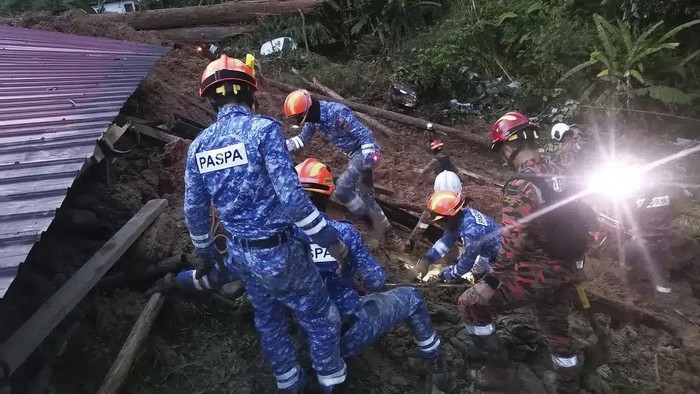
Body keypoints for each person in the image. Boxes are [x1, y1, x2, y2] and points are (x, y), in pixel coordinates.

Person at [185, 55, 348, 393]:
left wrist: (204, 251)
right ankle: (332, 383)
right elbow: (292, 198)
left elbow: (194, 207)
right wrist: (329, 238)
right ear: (251, 94)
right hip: (280, 253)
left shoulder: (199, 146)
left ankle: (289, 385)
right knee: (318, 316)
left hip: (242, 255)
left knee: (269, 320)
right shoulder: (264, 130)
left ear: (212, 99)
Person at [457, 111, 590, 392]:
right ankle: (569, 384)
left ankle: (497, 371)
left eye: (501, 152)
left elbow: (512, 241)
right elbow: (588, 222)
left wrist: (491, 282)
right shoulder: (560, 173)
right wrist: (577, 264)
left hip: (537, 272)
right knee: (557, 329)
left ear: (507, 148)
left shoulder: (520, 185)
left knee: (470, 303)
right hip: (567, 268)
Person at [294, 158, 449, 391]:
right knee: (413, 298)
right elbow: (376, 282)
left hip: (299, 334)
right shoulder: (343, 232)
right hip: (345, 333)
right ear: (328, 196)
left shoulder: (279, 237)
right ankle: (438, 370)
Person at [282, 89, 404, 251]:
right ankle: (384, 231)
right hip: (354, 155)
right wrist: (281, 146)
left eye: (298, 117)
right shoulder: (314, 120)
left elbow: (365, 134)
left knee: (343, 188)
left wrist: (366, 165)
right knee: (364, 196)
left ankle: (372, 225)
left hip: (367, 152)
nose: (298, 120)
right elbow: (302, 140)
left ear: (307, 111)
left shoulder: (336, 113)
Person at [411, 191, 500, 284]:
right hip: (488, 252)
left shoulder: (472, 231)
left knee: (487, 286)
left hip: (503, 259)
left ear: (448, 218)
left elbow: (466, 264)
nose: (436, 223)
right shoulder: (461, 216)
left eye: (436, 219)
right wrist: (427, 260)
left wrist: (444, 277)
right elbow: (446, 241)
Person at [621, 170, 678, 294]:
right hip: (663, 237)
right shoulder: (668, 193)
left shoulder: (636, 195)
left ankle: (636, 286)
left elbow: (628, 216)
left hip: (644, 237)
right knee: (661, 264)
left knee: (631, 255)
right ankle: (663, 290)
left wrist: (627, 226)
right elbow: (674, 211)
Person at [406, 170, 464, 250]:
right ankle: (411, 243)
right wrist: (412, 240)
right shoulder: (434, 205)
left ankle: (455, 248)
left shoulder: (461, 208)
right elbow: (424, 222)